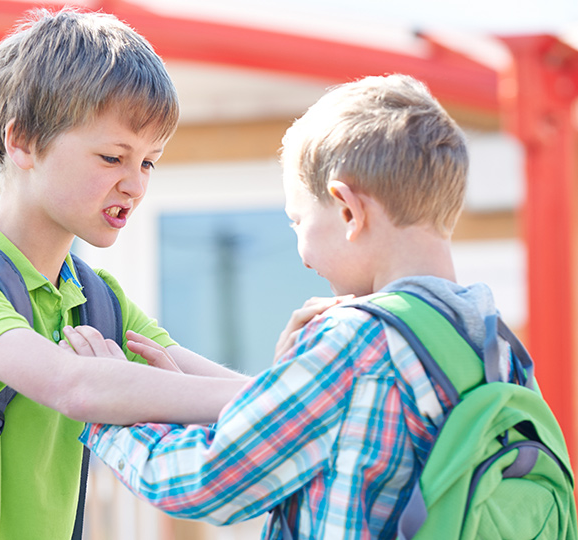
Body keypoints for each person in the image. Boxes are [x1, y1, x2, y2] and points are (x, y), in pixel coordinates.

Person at [0, 8, 249, 540]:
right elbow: (75, 386)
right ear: (23, 143)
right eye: (112, 157)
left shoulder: (93, 300)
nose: (136, 185)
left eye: (149, 162)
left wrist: (312, 391)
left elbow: (218, 386)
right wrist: (280, 401)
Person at [75, 74, 511, 539]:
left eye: (299, 221)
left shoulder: (357, 344)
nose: (302, 256)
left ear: (348, 210)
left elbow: (206, 481)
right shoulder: (492, 342)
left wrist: (108, 411)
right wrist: (275, 385)